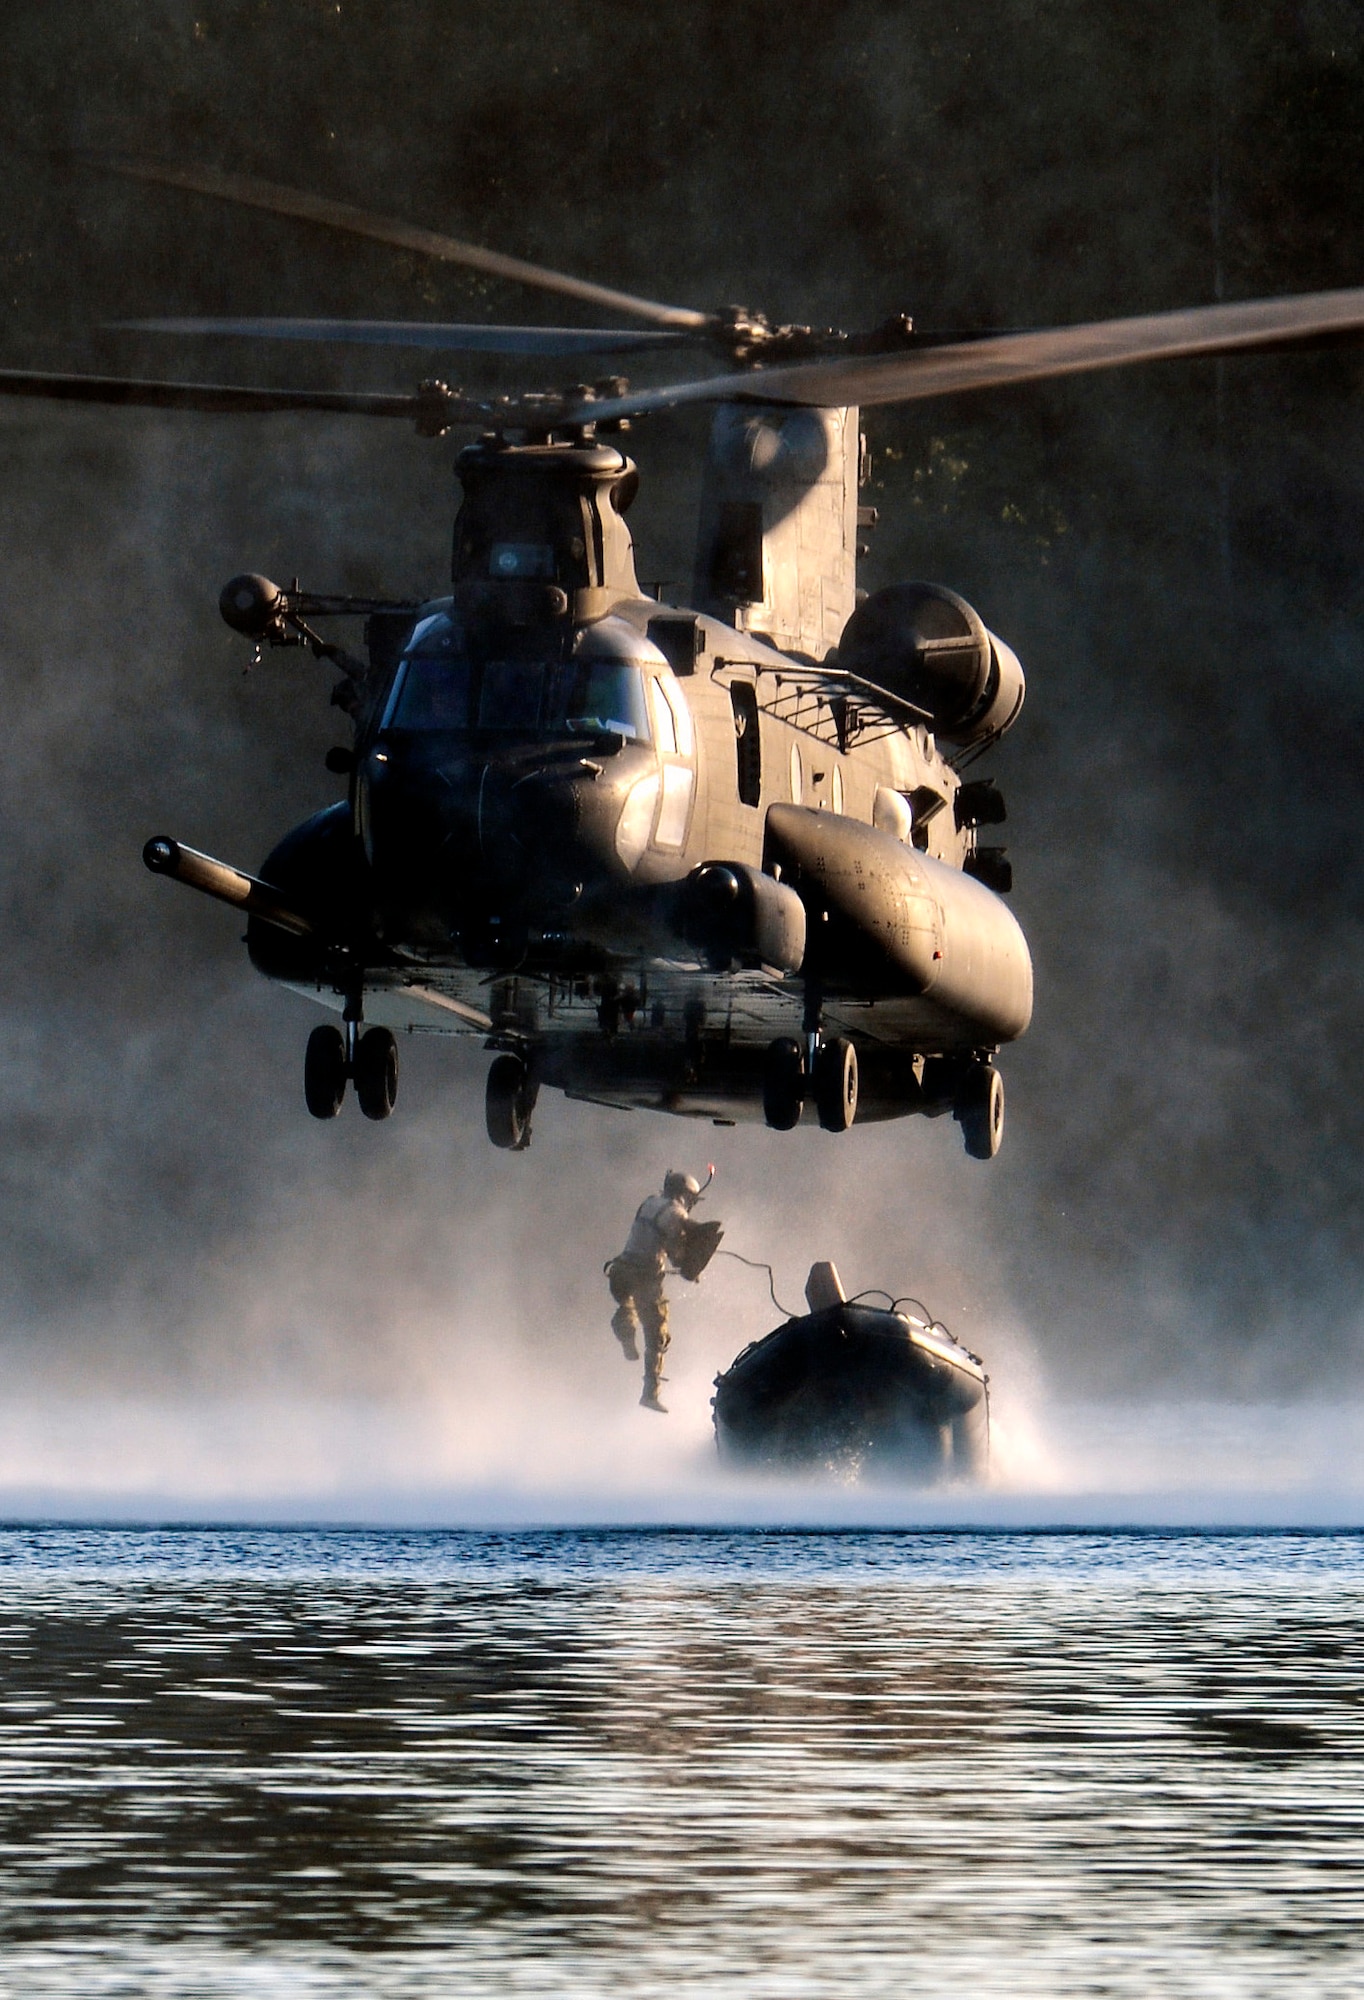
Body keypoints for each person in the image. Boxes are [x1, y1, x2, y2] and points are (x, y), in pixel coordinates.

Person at [607, 1169, 718, 1412]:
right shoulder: (676, 1213)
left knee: (626, 1305)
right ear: (685, 1196)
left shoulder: (648, 1203)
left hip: (620, 1270)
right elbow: (676, 1252)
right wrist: (692, 1266)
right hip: (645, 1278)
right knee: (657, 1335)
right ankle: (650, 1393)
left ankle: (625, 1328)